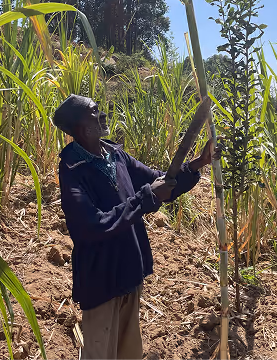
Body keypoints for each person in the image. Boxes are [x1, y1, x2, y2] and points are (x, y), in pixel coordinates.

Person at [53, 94, 219, 360]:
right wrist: (145, 198)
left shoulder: (115, 155)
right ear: (83, 128)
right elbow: (92, 226)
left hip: (129, 269)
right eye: (95, 111)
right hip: (102, 279)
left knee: (128, 351)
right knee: (100, 353)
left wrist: (198, 163)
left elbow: (162, 183)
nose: (102, 115)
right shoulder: (72, 169)